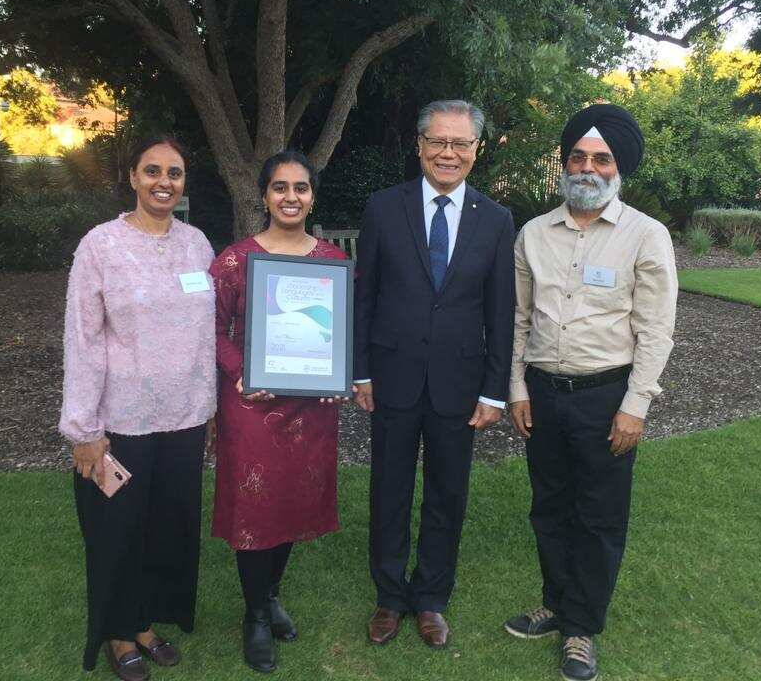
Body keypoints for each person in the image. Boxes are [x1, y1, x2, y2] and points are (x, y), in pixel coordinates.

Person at [504, 104, 677, 681]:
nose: (588, 167)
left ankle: (581, 627)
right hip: (544, 395)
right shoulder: (533, 233)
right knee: (549, 505)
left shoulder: (646, 236)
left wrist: (636, 405)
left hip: (607, 398)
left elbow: (656, 329)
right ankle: (555, 604)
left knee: (599, 516)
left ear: (619, 166)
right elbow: (518, 320)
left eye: (601, 158)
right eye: (578, 156)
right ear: (565, 162)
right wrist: (516, 388)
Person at [353, 100, 516, 649]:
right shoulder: (382, 207)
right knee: (389, 490)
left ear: (476, 151)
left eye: (460, 144)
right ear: (419, 146)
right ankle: (389, 595)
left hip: (460, 385)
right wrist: (360, 372)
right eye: (438, 142)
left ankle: (430, 598)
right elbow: (365, 294)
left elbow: (500, 311)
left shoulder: (495, 220)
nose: (449, 153)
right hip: (393, 378)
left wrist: (495, 390)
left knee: (448, 494)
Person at [58, 135, 216, 681]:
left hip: (184, 420)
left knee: (167, 528)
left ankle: (146, 623)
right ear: (132, 177)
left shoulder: (198, 245)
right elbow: (82, 338)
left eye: (174, 173)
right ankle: (118, 632)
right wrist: (83, 428)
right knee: (117, 530)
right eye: (152, 171)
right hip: (119, 422)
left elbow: (205, 334)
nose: (163, 182)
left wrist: (211, 407)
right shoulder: (100, 246)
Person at [209, 150, 348, 674]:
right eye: (280, 188)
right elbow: (212, 327)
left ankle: (268, 596)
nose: (291, 197)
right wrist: (239, 371)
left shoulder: (333, 261)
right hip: (252, 402)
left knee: (290, 502)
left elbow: (339, 333)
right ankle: (255, 616)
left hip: (311, 408)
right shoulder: (235, 259)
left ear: (313, 196)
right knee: (256, 509)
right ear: (264, 196)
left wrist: (338, 378)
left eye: (301, 188)